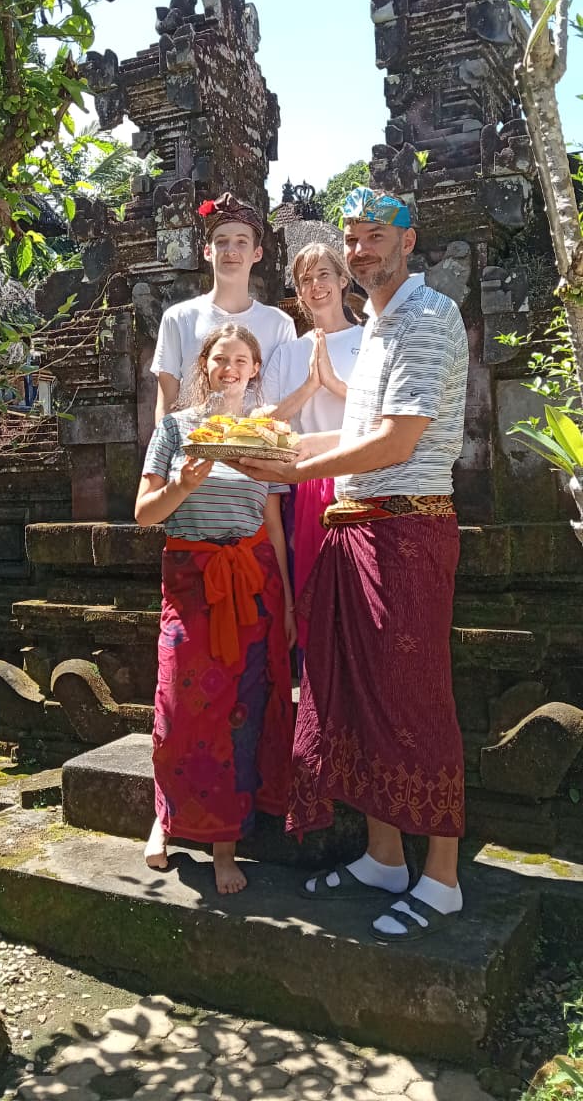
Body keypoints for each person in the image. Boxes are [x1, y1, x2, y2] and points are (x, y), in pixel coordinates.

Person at [236, 186, 469, 940]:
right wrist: (266, 451)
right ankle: (382, 854)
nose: (363, 249)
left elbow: (398, 444)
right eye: (354, 238)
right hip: (357, 525)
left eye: (376, 236)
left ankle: (442, 878)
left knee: (413, 699)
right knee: (355, 701)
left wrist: (294, 473)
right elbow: (347, 441)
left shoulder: (427, 319)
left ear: (409, 238)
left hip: (407, 530)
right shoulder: (377, 328)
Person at [135, 323, 296, 895]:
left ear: (255, 368)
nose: (231, 368)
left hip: (251, 585)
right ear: (203, 366)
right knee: (177, 707)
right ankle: (165, 818)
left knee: (239, 713)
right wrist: (180, 484)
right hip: (189, 582)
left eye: (242, 360)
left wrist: (290, 603)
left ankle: (224, 845)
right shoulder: (176, 429)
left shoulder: (266, 435)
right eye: (220, 359)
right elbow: (145, 514)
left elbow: (274, 525)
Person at [262, 243, 362, 652]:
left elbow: (389, 415)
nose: (315, 285)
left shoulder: (370, 338)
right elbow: (264, 425)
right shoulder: (288, 352)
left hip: (361, 480)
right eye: (306, 279)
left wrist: (336, 385)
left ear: (343, 280)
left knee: (359, 603)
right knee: (313, 602)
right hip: (304, 487)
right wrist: (309, 387)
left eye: (324, 274)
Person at [150, 192, 295, 423]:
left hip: (255, 451)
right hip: (194, 449)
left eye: (241, 242)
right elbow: (166, 404)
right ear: (208, 251)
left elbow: (286, 403)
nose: (231, 251)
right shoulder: (178, 318)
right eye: (221, 242)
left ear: (256, 253)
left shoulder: (280, 325)